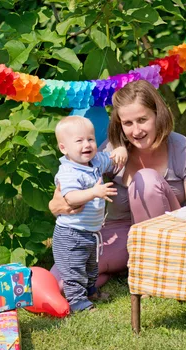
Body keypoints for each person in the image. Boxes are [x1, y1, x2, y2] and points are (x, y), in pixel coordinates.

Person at [49, 80, 186, 289]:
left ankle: (155, 271)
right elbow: (64, 193)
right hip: (121, 233)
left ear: (158, 116)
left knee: (146, 180)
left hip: (168, 235)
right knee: (62, 280)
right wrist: (56, 206)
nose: (136, 131)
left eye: (143, 120)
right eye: (128, 123)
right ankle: (111, 272)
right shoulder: (112, 152)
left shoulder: (183, 149)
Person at [52, 115, 127, 312]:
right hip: (71, 234)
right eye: (79, 141)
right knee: (74, 269)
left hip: (91, 232)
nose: (87, 144)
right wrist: (94, 192)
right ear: (63, 148)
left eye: (91, 139)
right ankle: (77, 302)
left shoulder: (94, 162)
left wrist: (119, 150)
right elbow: (71, 198)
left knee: (91, 266)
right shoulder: (68, 171)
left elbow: (111, 160)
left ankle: (91, 291)